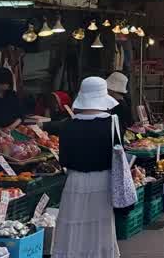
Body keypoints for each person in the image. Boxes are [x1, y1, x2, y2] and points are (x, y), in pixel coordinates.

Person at [43, 76, 121, 258]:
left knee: (74, 223)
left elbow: (64, 160)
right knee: (100, 226)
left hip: (75, 181)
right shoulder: (112, 123)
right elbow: (118, 157)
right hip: (103, 181)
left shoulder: (68, 125)